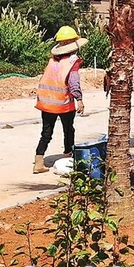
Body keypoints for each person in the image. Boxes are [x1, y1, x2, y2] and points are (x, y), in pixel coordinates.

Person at [33, 26, 87, 174]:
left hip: (46, 102)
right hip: (63, 103)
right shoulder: (72, 62)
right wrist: (79, 99)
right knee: (68, 130)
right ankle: (68, 157)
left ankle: (38, 163)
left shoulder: (52, 61)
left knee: (46, 133)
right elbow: (73, 82)